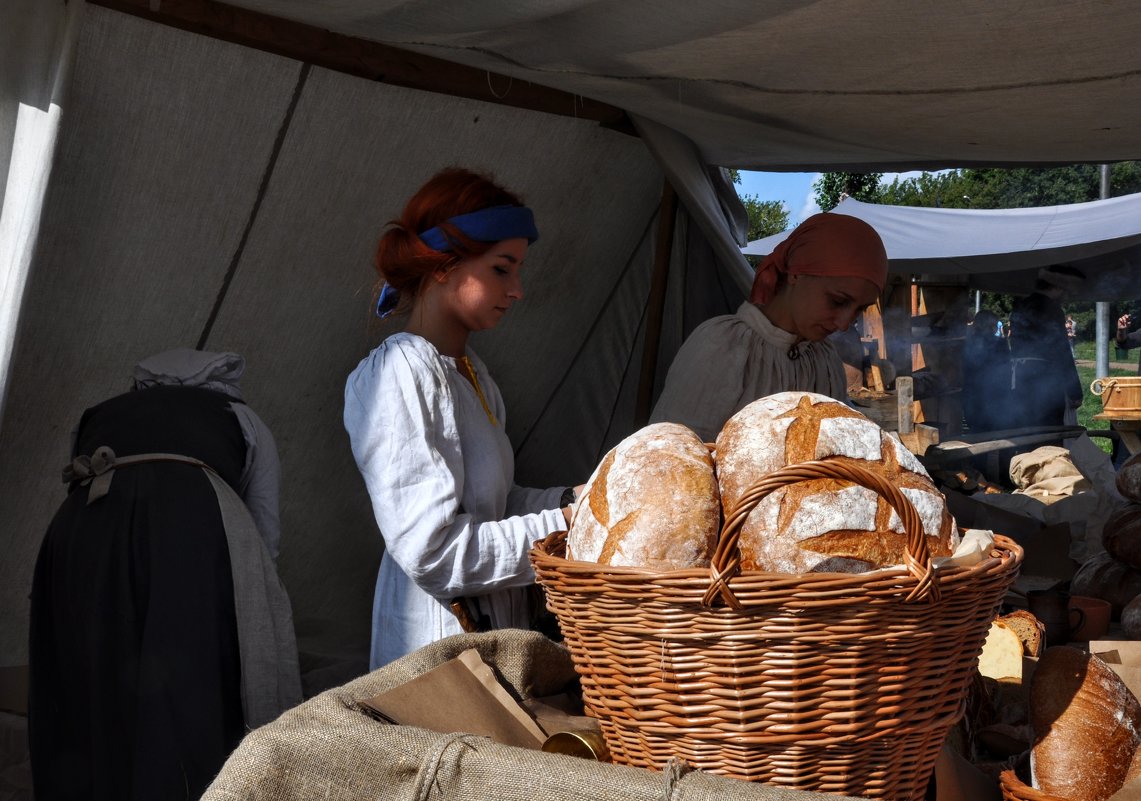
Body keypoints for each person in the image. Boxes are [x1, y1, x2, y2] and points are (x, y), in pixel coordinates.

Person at [29, 348, 301, 801]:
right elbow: (263, 531)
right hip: (185, 537)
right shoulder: (241, 417)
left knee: (87, 678)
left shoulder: (98, 414)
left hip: (80, 539)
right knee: (180, 683)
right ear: (222, 383)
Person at [344, 167, 581, 669]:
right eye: (502, 268)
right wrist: (562, 526)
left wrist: (574, 503)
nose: (517, 289)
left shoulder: (474, 376)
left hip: (491, 645)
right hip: (439, 655)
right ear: (444, 265)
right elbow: (433, 553)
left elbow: (493, 502)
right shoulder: (398, 372)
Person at [650, 212, 887, 441]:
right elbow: (672, 456)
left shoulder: (825, 361)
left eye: (859, 309)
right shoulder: (722, 346)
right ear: (796, 275)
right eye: (837, 301)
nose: (845, 323)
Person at [1008, 266, 1085, 428]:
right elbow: (1061, 350)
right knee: (1048, 435)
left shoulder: (1020, 306)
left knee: (1025, 432)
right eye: (1067, 291)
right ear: (1057, 287)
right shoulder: (1051, 309)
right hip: (1044, 382)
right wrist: (1074, 391)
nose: (1067, 296)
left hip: (1020, 379)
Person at [961, 309, 1013, 433]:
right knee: (996, 432)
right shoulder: (1000, 344)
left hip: (971, 394)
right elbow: (1006, 370)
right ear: (991, 326)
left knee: (976, 433)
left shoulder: (966, 342)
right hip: (994, 395)